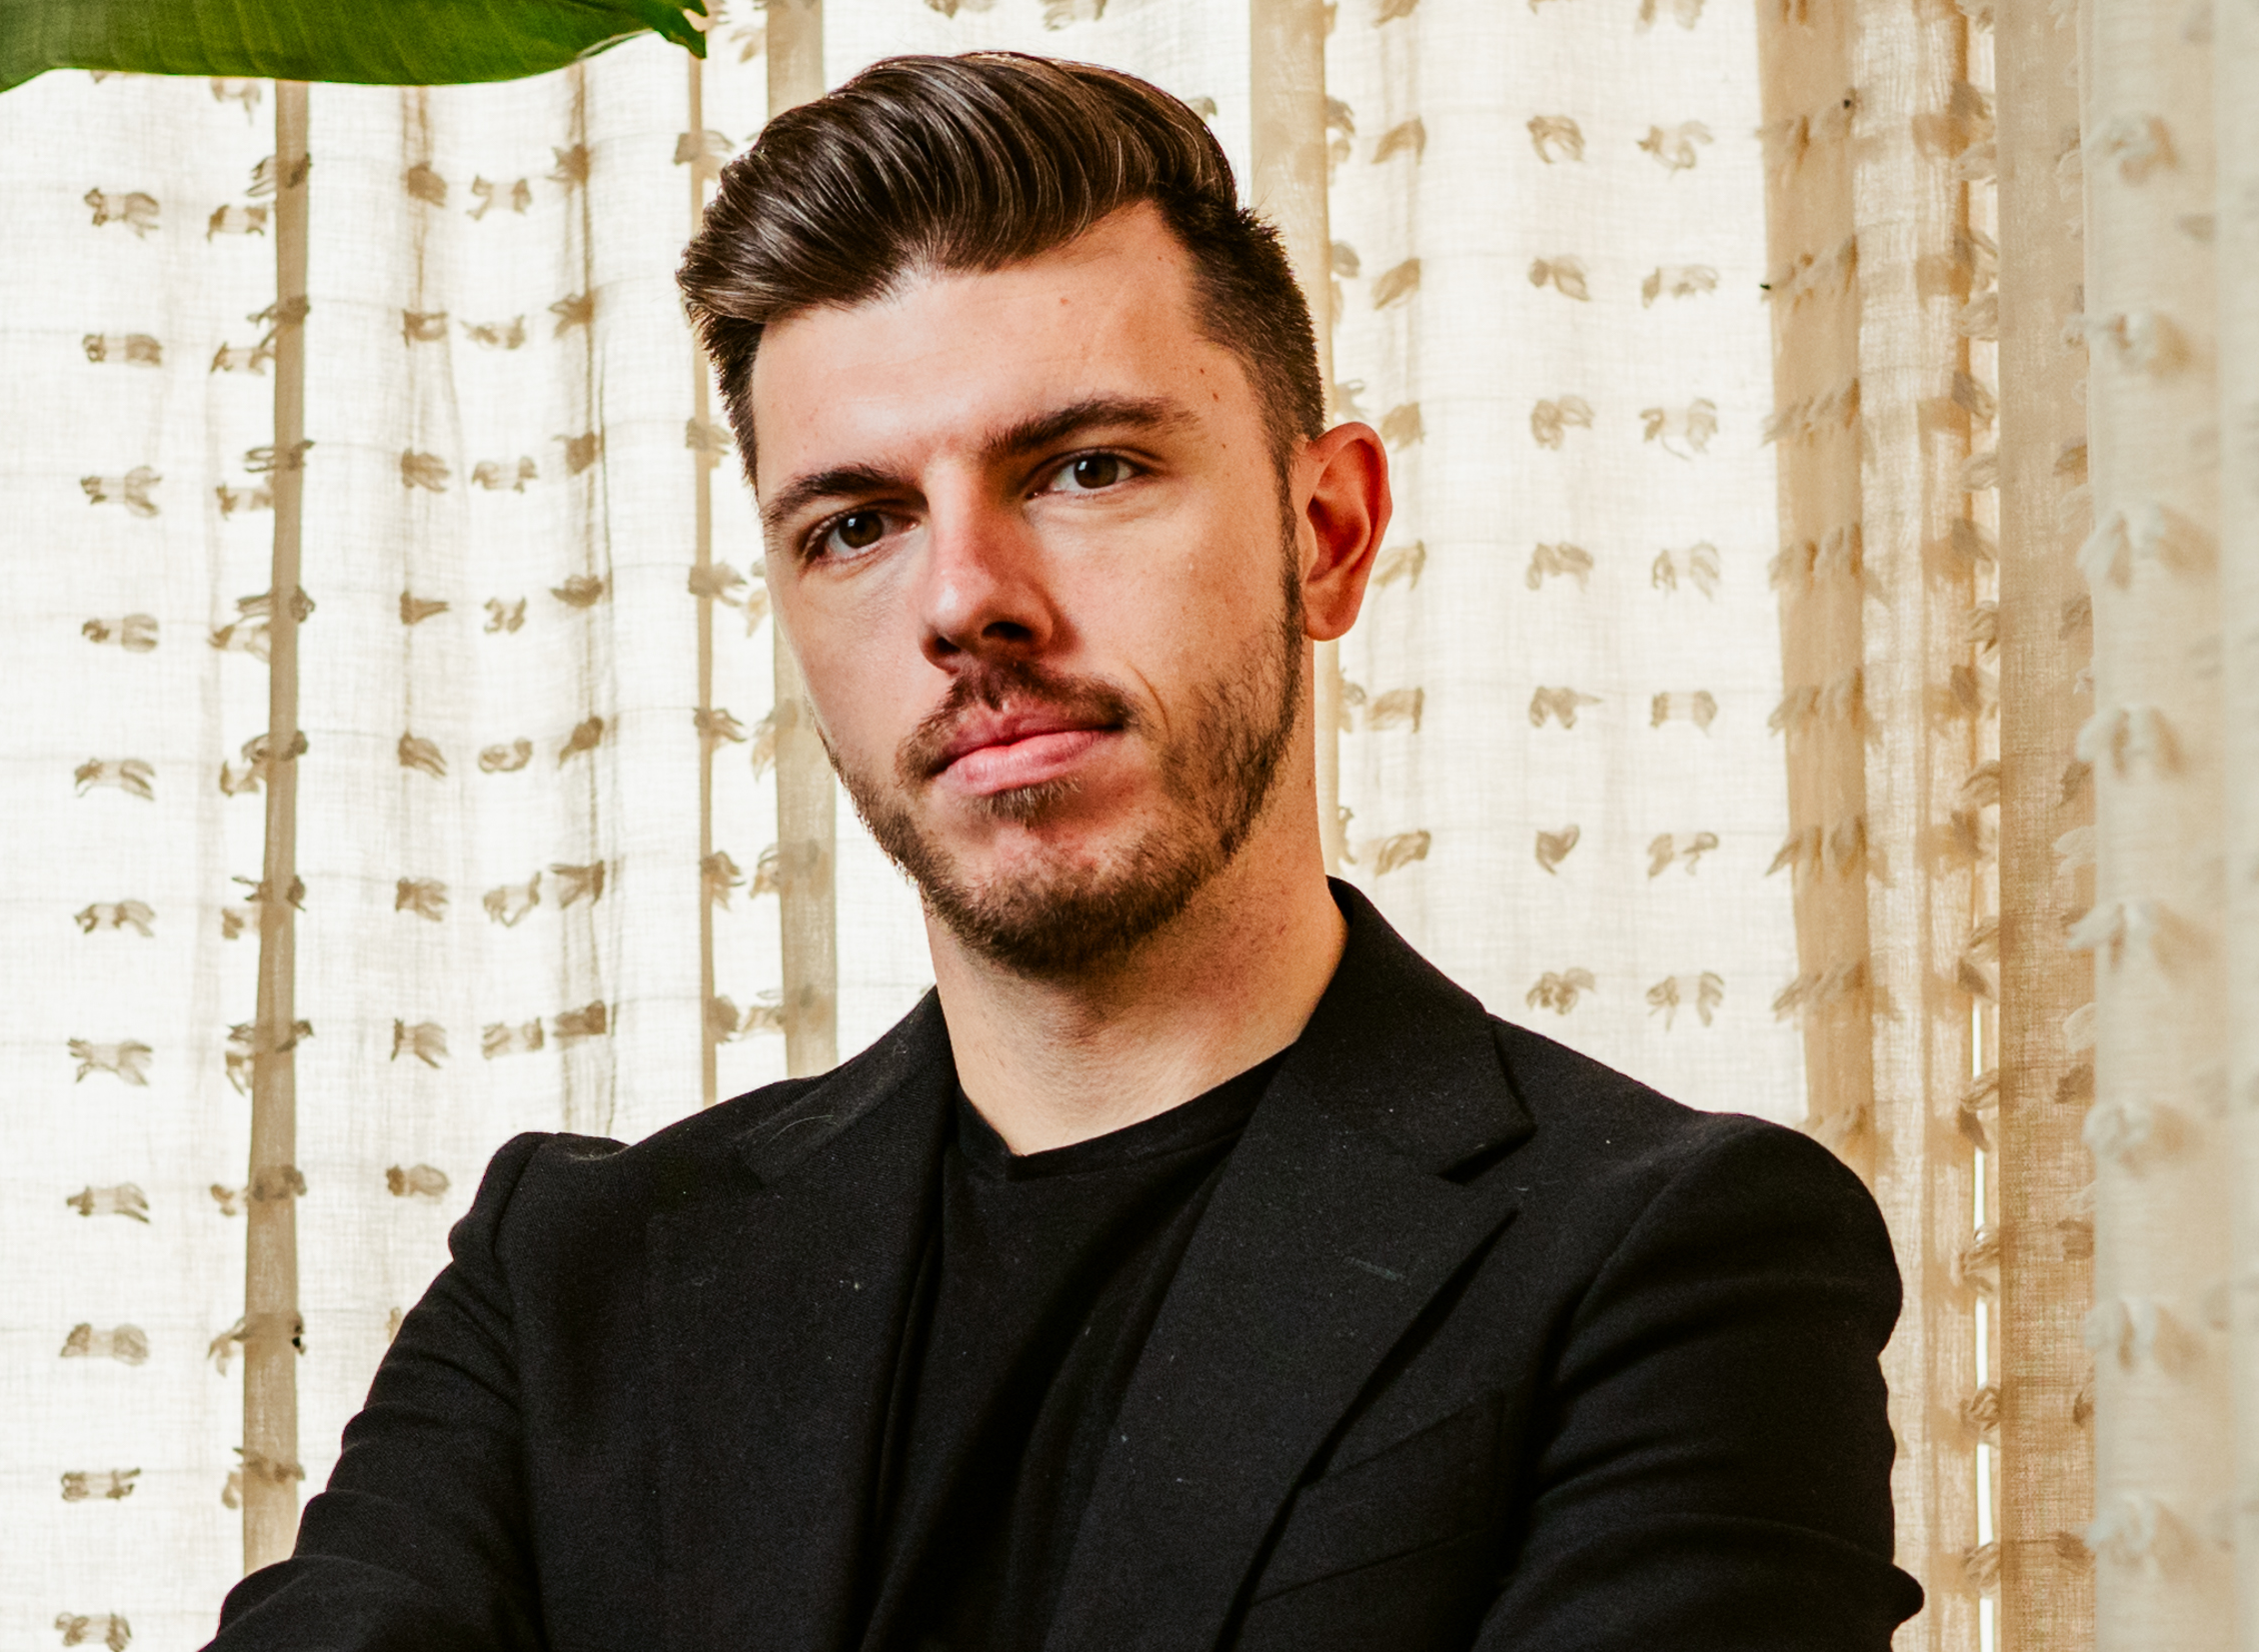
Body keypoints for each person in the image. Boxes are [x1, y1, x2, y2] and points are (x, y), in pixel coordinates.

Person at [207, 52, 1922, 1652]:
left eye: (1088, 467)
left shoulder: (1669, 1261)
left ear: (1326, 535)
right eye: (858, 523)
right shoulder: (569, 1275)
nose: (965, 601)